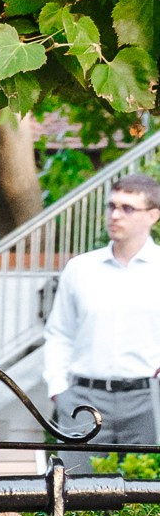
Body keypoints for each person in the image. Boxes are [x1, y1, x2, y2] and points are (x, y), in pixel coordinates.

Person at [42, 170, 160, 451]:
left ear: (153, 215)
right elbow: (59, 332)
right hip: (82, 398)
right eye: (112, 206)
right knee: (77, 489)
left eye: (127, 208)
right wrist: (59, 389)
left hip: (148, 399)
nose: (115, 215)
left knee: (147, 490)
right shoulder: (80, 269)